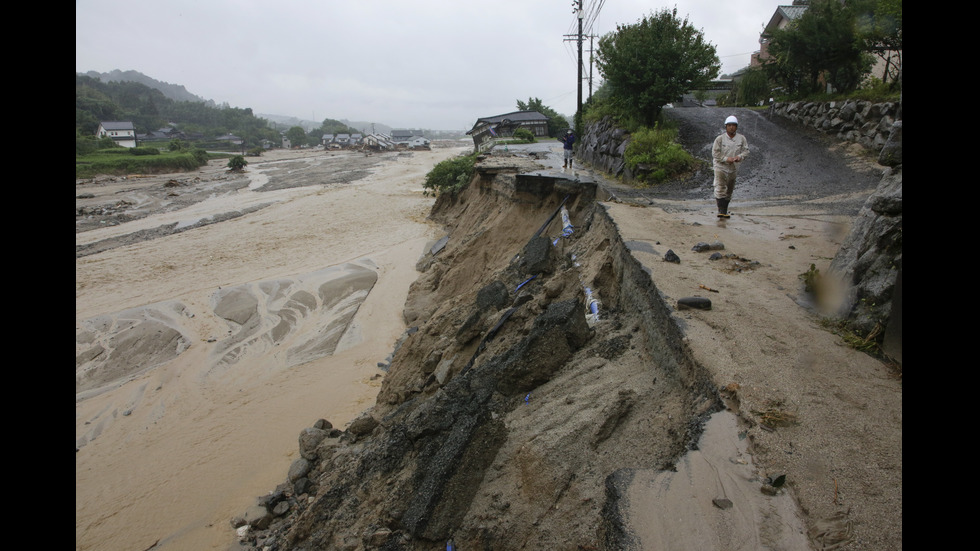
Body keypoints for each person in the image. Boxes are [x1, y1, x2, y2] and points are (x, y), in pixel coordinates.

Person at [711, 115, 749, 218]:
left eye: (734, 125)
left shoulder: (741, 139)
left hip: (733, 168)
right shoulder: (720, 139)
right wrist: (726, 159)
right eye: (729, 125)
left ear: (737, 127)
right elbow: (715, 154)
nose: (731, 127)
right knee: (720, 187)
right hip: (720, 166)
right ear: (726, 126)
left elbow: (746, 151)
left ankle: (725, 210)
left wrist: (739, 157)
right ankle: (721, 210)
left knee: (729, 189)